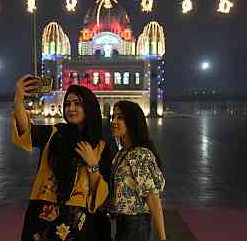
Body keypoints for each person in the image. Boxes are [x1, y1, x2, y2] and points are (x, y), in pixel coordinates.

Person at [11, 75, 112, 241]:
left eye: (77, 104)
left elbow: (103, 196)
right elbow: (25, 130)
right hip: (45, 215)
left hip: (80, 222)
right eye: (67, 104)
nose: (71, 108)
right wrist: (19, 97)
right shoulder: (54, 134)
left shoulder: (100, 146)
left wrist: (93, 164)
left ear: (89, 107)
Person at [109, 101, 166, 241]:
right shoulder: (122, 153)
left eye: (120, 117)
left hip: (136, 225)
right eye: (113, 117)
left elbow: (153, 197)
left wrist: (161, 237)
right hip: (122, 224)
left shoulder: (140, 154)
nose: (114, 121)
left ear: (132, 121)